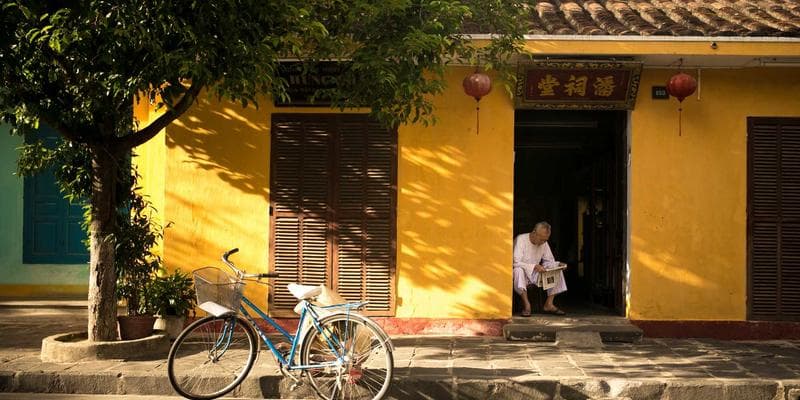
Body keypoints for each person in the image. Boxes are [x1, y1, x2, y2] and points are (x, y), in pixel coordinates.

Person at [512, 221, 567, 316]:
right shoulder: (521, 239)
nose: (543, 242)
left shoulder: (544, 243)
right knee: (518, 271)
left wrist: (558, 264)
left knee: (557, 270)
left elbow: (549, 261)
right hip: (522, 272)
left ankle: (549, 304)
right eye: (541, 239)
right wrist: (534, 266)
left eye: (545, 240)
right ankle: (527, 304)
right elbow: (515, 262)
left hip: (535, 274)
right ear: (534, 233)